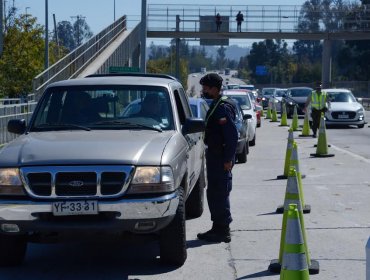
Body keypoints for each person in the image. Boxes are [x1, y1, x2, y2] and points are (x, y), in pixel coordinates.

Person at [197, 73, 238, 243]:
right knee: (214, 192)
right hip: (215, 156)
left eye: (206, 88)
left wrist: (228, 159)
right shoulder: (217, 104)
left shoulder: (222, 108)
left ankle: (223, 230)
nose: (203, 91)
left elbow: (231, 136)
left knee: (220, 192)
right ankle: (217, 227)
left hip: (221, 158)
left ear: (214, 89)